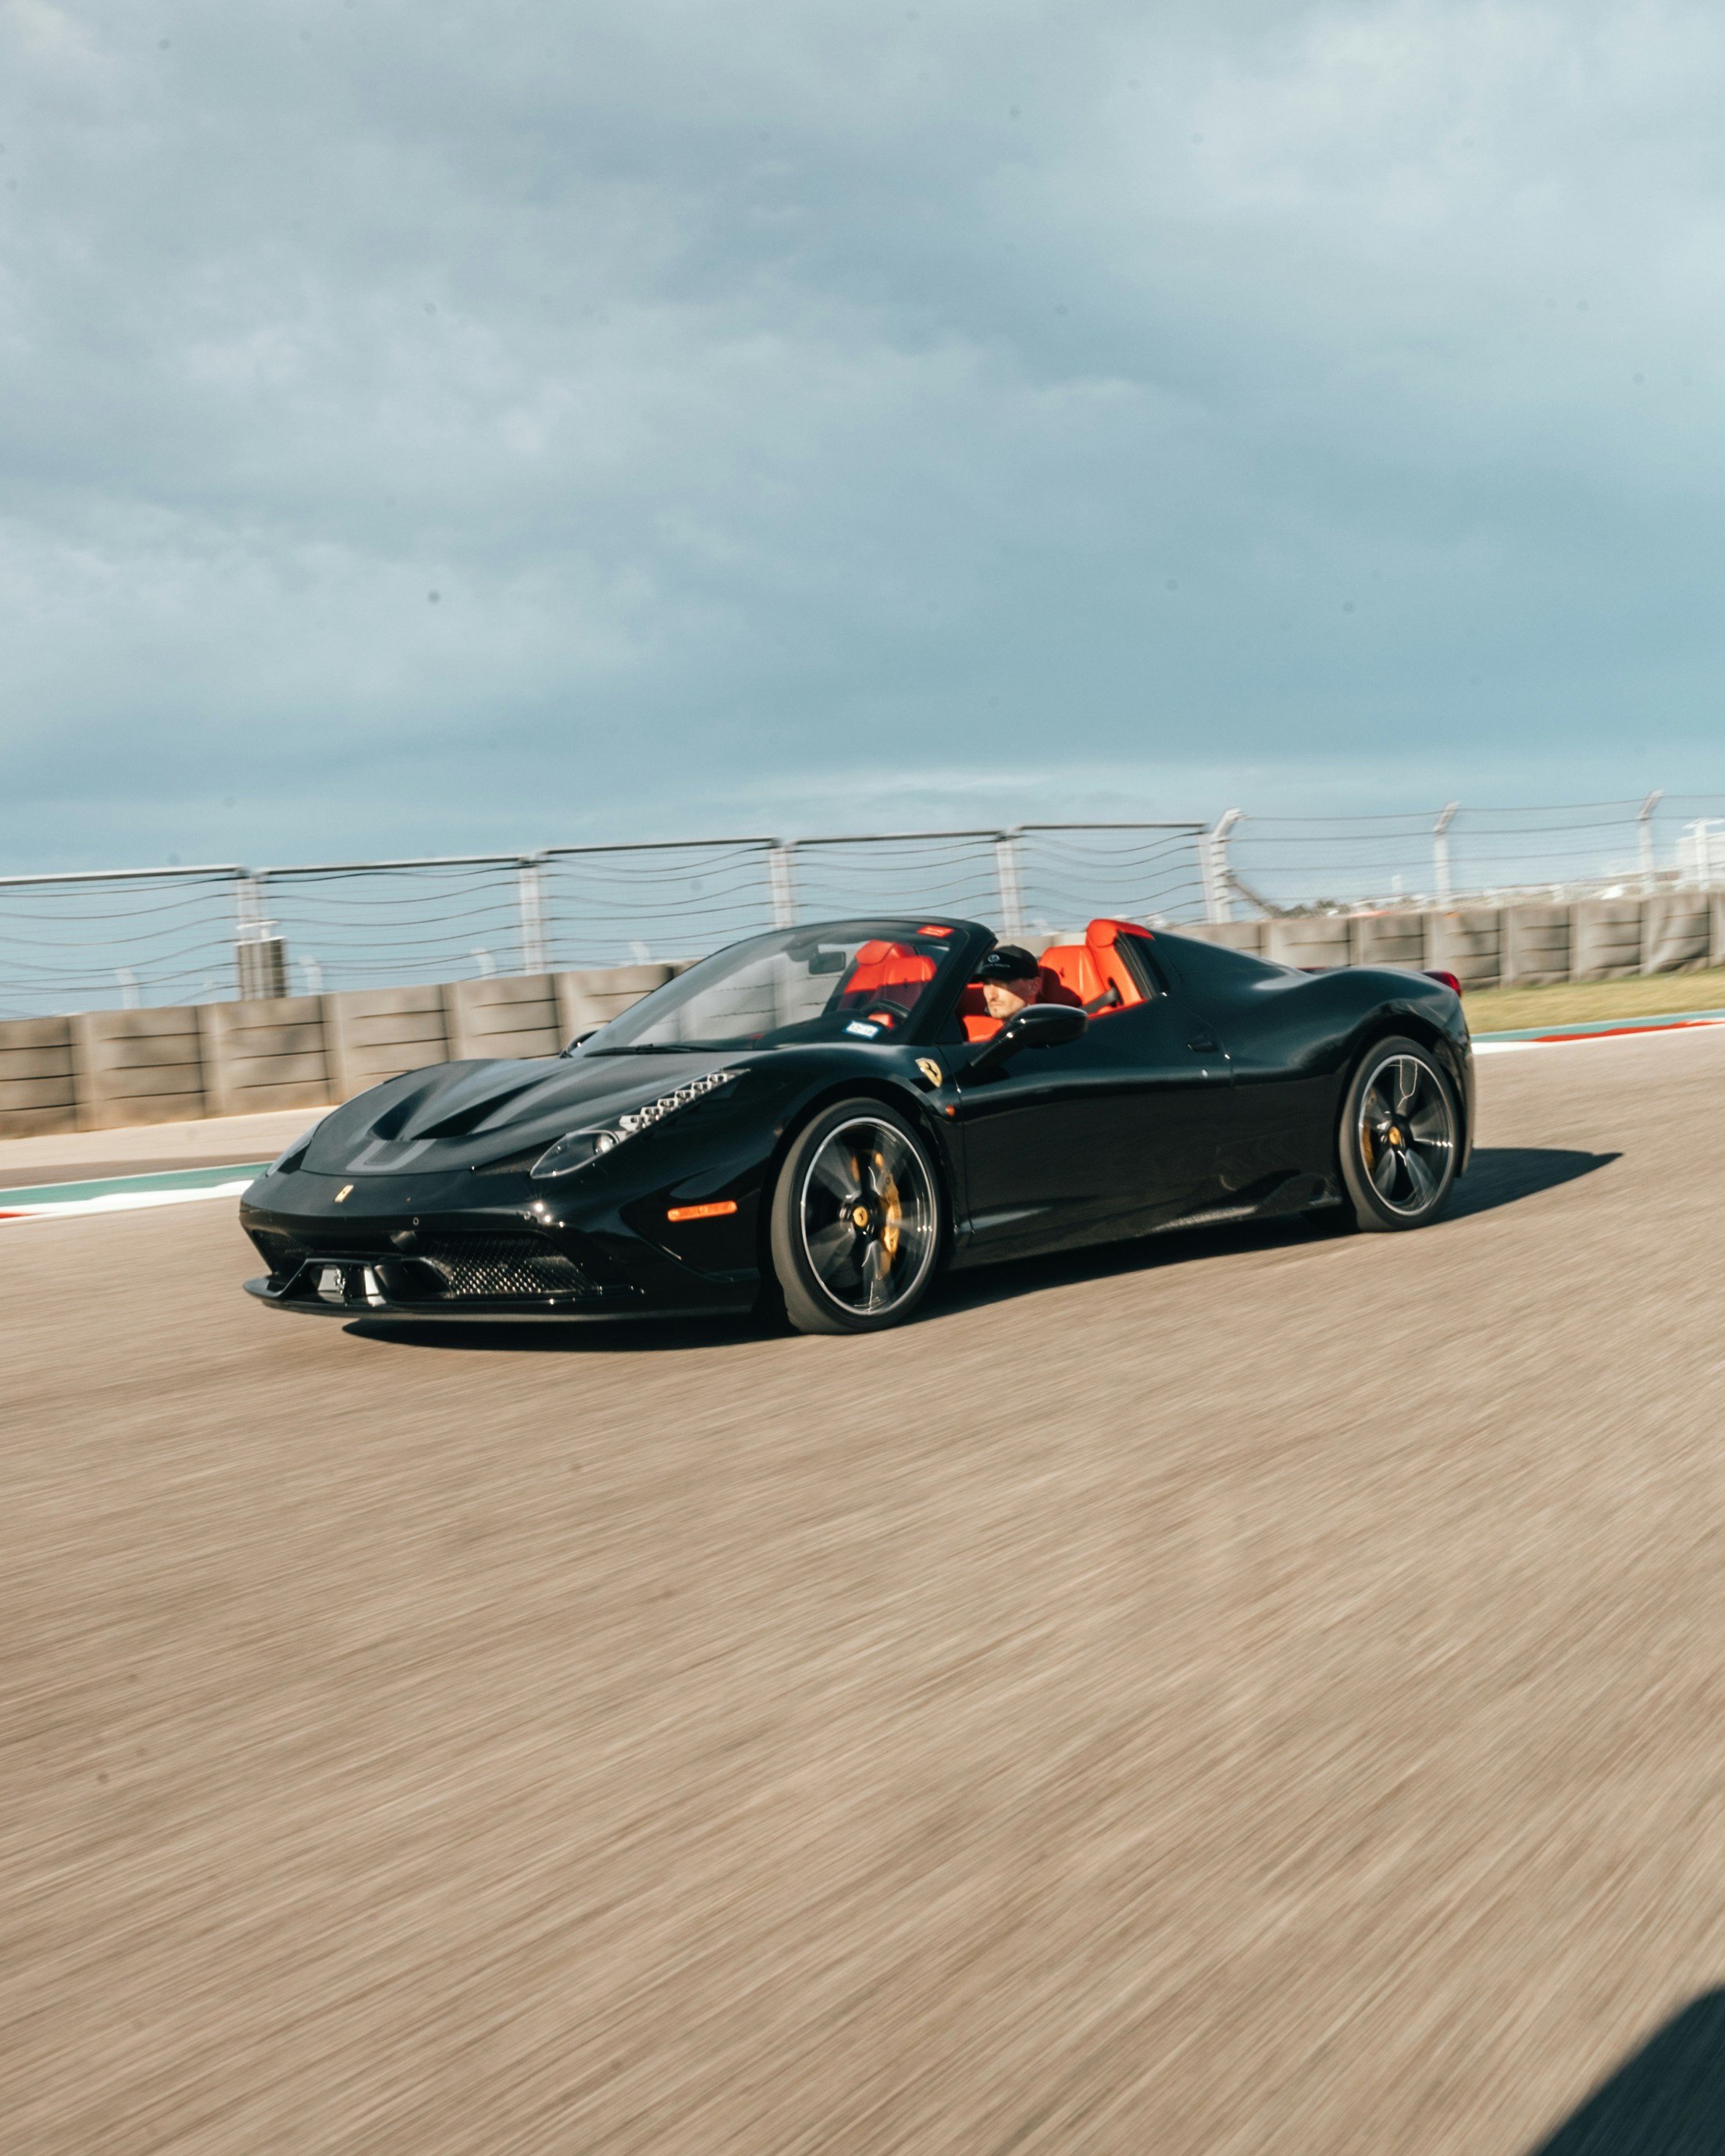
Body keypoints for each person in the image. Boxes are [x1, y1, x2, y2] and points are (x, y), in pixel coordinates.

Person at [971, 943, 1083, 1022]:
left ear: (1034, 986)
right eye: (986, 984)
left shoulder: (1054, 1037)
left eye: (1002, 983)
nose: (991, 995)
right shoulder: (983, 1041)